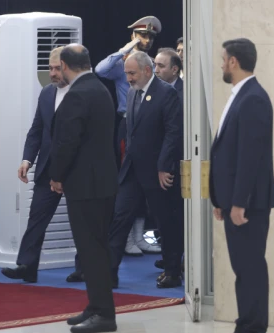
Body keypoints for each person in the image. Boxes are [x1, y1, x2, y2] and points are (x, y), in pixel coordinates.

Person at [209, 38, 274, 333]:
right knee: (243, 269)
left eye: (224, 59)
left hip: (248, 204)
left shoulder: (253, 98)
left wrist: (238, 202)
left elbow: (250, 158)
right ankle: (246, 323)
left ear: (234, 62)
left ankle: (252, 326)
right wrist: (221, 200)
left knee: (249, 268)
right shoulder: (242, 95)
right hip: (235, 202)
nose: (222, 64)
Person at [49, 44, 118, 333]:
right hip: (103, 183)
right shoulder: (100, 89)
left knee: (91, 251)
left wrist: (56, 175)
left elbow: (68, 142)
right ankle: (95, 306)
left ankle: (103, 315)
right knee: (96, 248)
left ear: (64, 65)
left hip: (85, 185)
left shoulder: (78, 94)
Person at [108, 51, 183, 289]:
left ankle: (172, 272)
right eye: (127, 73)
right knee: (120, 218)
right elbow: (132, 132)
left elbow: (173, 133)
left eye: (132, 73)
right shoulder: (131, 93)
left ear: (147, 71)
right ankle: (109, 272)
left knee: (165, 221)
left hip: (157, 172)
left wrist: (164, 167)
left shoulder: (166, 93)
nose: (128, 78)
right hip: (132, 170)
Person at [0, 47, 72, 283]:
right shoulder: (46, 93)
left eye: (57, 68)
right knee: (36, 219)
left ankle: (85, 269)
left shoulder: (83, 94)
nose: (52, 73)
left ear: (68, 68)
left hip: (76, 170)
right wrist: (26, 160)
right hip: (47, 169)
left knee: (83, 223)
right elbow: (36, 130)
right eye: (49, 68)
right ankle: (26, 266)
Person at [94, 16, 163, 257]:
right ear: (134, 36)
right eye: (143, 36)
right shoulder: (122, 64)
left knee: (146, 181)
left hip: (152, 127)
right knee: (128, 181)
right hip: (128, 126)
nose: (147, 40)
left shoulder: (152, 65)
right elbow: (100, 70)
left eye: (150, 37)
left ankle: (138, 236)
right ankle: (124, 240)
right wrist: (126, 48)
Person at [153, 47, 184, 281]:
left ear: (175, 69)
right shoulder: (152, 92)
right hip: (158, 164)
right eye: (155, 65)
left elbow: (176, 132)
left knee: (177, 217)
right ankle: (171, 259)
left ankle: (177, 263)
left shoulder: (185, 92)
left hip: (179, 165)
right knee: (165, 217)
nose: (156, 70)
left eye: (161, 66)